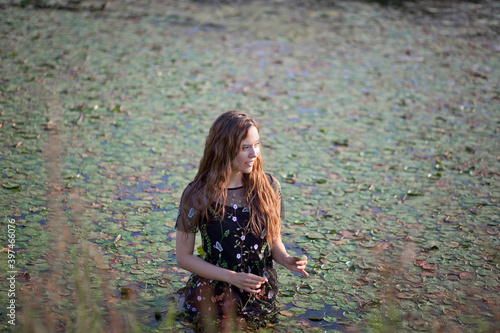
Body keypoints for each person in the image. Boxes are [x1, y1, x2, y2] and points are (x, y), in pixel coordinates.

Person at [175, 110, 308, 331]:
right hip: (212, 299)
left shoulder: (269, 187)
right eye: (245, 147)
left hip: (260, 296)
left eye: (256, 145)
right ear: (223, 149)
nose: (254, 154)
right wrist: (232, 277)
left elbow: (273, 240)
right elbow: (183, 258)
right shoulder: (198, 194)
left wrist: (285, 259)